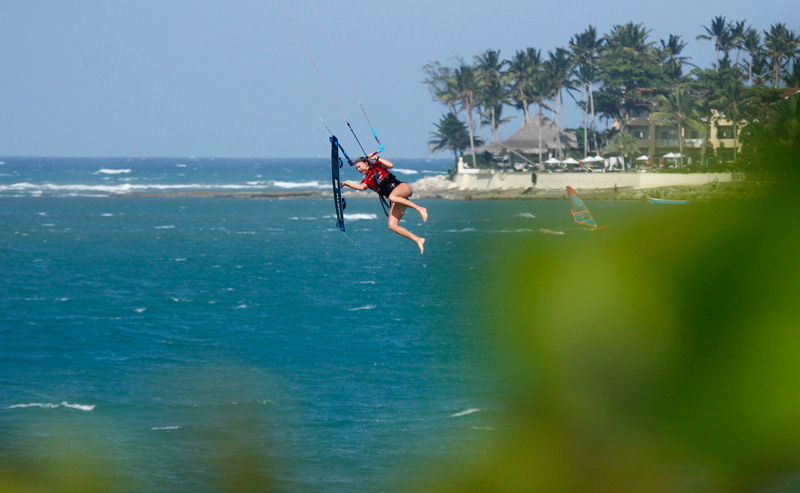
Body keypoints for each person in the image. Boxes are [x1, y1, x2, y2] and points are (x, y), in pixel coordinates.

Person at [342, 152, 428, 254]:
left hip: (403, 188)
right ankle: (418, 240)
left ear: (366, 163)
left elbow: (390, 165)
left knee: (392, 197)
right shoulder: (366, 180)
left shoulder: (377, 166)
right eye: (356, 168)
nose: (358, 169)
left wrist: (376, 158)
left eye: (359, 166)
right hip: (397, 198)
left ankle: (420, 209)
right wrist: (346, 184)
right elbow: (361, 187)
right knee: (392, 225)